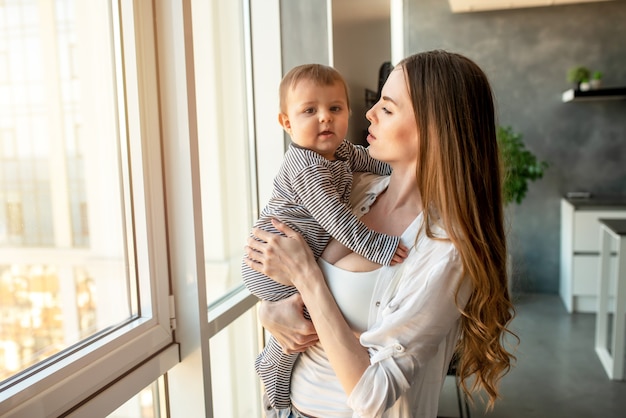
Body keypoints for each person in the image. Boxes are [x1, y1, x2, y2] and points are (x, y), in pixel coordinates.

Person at [244, 50, 517, 418]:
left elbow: (373, 396)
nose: (369, 113)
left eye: (387, 109)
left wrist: (307, 277)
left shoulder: (447, 249)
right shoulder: (355, 188)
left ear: (435, 128)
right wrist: (270, 311)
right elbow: (284, 267)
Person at [242, 63, 408, 409]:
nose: (325, 118)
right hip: (270, 264)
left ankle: (274, 359)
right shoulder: (307, 166)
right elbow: (337, 220)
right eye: (309, 111)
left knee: (306, 317)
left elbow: (369, 160)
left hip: (296, 255)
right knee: (301, 326)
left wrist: (400, 168)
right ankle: (273, 367)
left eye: (335, 108)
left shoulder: (338, 153)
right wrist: (379, 246)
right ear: (287, 123)